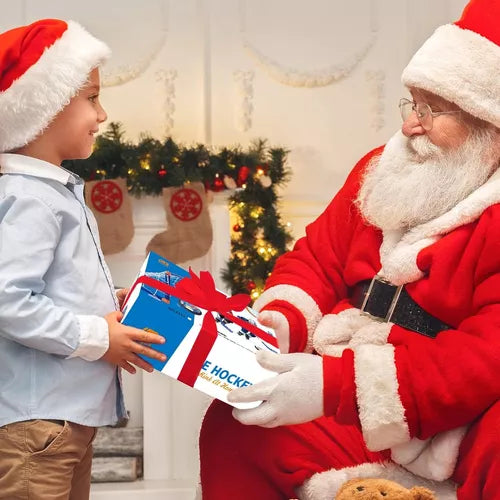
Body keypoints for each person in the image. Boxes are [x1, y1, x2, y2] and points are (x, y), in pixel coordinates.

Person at [199, 0, 500, 498]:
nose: (410, 125)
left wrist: (334, 386)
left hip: (449, 419)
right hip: (348, 376)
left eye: (433, 110)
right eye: (412, 103)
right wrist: (281, 323)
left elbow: (484, 357)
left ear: (488, 123)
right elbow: (316, 259)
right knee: (238, 422)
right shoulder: (384, 167)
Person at [0, 19, 166, 499]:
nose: (103, 113)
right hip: (37, 427)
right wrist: (99, 336)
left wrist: (112, 307)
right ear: (45, 105)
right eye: (91, 98)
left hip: (61, 424)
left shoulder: (54, 192)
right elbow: (8, 299)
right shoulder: (30, 198)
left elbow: (52, 287)